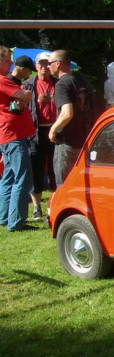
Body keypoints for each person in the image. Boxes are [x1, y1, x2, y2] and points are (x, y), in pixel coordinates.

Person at [47, 50, 96, 187]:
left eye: (50, 63)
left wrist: (53, 129)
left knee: (64, 186)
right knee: (81, 186)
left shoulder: (62, 84)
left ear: (58, 64)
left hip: (67, 144)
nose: (48, 66)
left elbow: (67, 113)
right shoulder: (81, 80)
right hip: (85, 141)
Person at [0, 48, 36, 231]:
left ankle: (5, 217)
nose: (11, 64)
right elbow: (27, 95)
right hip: (13, 136)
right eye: (8, 61)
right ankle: (16, 222)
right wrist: (23, 95)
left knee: (9, 177)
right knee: (22, 178)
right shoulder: (3, 80)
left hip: (8, 136)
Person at [22, 52, 58, 220]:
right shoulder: (28, 84)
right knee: (36, 169)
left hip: (55, 131)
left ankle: (53, 205)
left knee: (54, 169)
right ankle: (36, 207)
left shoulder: (58, 83)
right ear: (36, 66)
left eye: (47, 63)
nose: (44, 67)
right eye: (41, 64)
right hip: (35, 132)